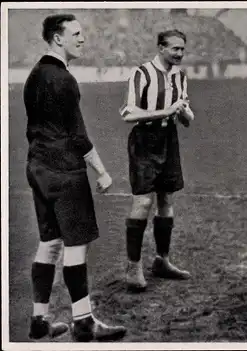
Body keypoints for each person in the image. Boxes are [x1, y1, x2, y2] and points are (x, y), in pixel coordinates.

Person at [24, 14, 127, 341]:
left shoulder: (33, 76)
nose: (83, 39)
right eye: (77, 34)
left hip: (38, 168)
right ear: (58, 38)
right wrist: (103, 171)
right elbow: (78, 136)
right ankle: (83, 323)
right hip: (65, 171)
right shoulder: (64, 80)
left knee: (49, 243)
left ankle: (39, 321)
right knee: (75, 246)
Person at [119, 29, 195, 292]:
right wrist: (166, 110)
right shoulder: (142, 73)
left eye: (183, 49)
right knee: (143, 201)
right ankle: (133, 266)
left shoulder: (181, 76)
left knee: (166, 200)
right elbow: (128, 113)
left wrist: (184, 113)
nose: (180, 54)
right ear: (161, 48)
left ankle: (162, 261)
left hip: (168, 139)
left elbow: (185, 117)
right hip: (145, 141)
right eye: (175, 49)